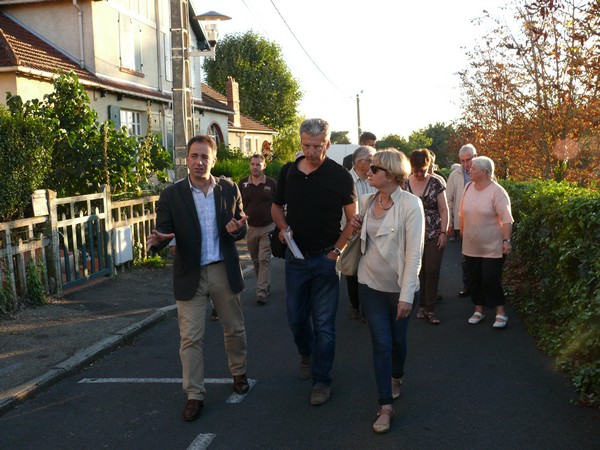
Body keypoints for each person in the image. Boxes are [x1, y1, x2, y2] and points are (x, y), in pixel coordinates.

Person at [146, 135, 250, 422]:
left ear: (213, 160)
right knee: (190, 338)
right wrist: (158, 242)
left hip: (222, 269)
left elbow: (241, 225)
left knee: (234, 329)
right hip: (189, 272)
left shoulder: (228, 189)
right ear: (187, 159)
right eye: (194, 156)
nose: (198, 161)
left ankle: (239, 373)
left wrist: (235, 230)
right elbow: (164, 231)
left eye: (205, 156)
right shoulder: (172, 194)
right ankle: (194, 394)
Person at [271, 118, 356, 406]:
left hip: (326, 259)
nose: (311, 152)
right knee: (295, 318)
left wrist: (337, 251)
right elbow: (275, 207)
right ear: (300, 142)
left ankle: (322, 380)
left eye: (317, 147)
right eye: (306, 146)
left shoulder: (340, 176)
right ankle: (306, 354)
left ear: (328, 145)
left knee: (325, 324)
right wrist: (283, 228)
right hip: (296, 259)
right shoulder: (287, 173)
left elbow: (353, 219)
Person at [349, 148, 424, 433]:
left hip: (399, 289)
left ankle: (397, 376)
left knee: (397, 342)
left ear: (391, 174)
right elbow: (360, 241)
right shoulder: (367, 201)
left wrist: (406, 295)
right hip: (369, 285)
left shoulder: (410, 205)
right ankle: (385, 407)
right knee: (381, 343)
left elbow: (414, 255)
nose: (369, 172)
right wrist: (356, 226)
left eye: (375, 168)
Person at [459, 156, 513, 329]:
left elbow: (507, 219)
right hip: (471, 245)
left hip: (493, 246)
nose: (469, 170)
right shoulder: (468, 187)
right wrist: (462, 234)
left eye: (473, 168)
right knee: (475, 279)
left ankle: (500, 312)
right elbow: (462, 213)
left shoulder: (497, 191)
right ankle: (479, 309)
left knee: (490, 278)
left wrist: (507, 240)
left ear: (484, 172)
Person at [405, 149, 449, 325]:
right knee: (417, 271)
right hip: (411, 233)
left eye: (422, 170)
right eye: (415, 170)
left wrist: (444, 232)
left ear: (429, 165)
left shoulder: (436, 182)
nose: (419, 174)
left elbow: (444, 209)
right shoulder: (404, 182)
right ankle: (420, 306)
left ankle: (430, 308)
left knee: (431, 269)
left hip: (433, 232)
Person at [239, 154, 277, 305]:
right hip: (250, 228)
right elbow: (236, 205)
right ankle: (264, 284)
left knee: (264, 258)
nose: (255, 167)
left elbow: (280, 204)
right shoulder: (242, 184)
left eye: (258, 165)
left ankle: (261, 291)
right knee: (255, 260)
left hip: (268, 227)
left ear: (264, 166)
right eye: (253, 164)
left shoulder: (272, 184)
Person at [345, 145, 377, 321]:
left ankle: (367, 307)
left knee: (369, 270)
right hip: (352, 232)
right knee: (353, 270)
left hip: (372, 231)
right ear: (359, 163)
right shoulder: (346, 180)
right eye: (371, 161)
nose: (374, 164)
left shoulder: (373, 179)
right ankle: (354, 304)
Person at [447, 143, 477, 296]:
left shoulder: (485, 171)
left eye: (468, 160)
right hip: (462, 223)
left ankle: (481, 287)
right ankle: (468, 286)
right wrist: (450, 223)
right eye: (462, 160)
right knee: (466, 257)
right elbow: (449, 200)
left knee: (481, 256)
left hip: (481, 223)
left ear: (475, 157)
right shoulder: (454, 175)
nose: (466, 164)